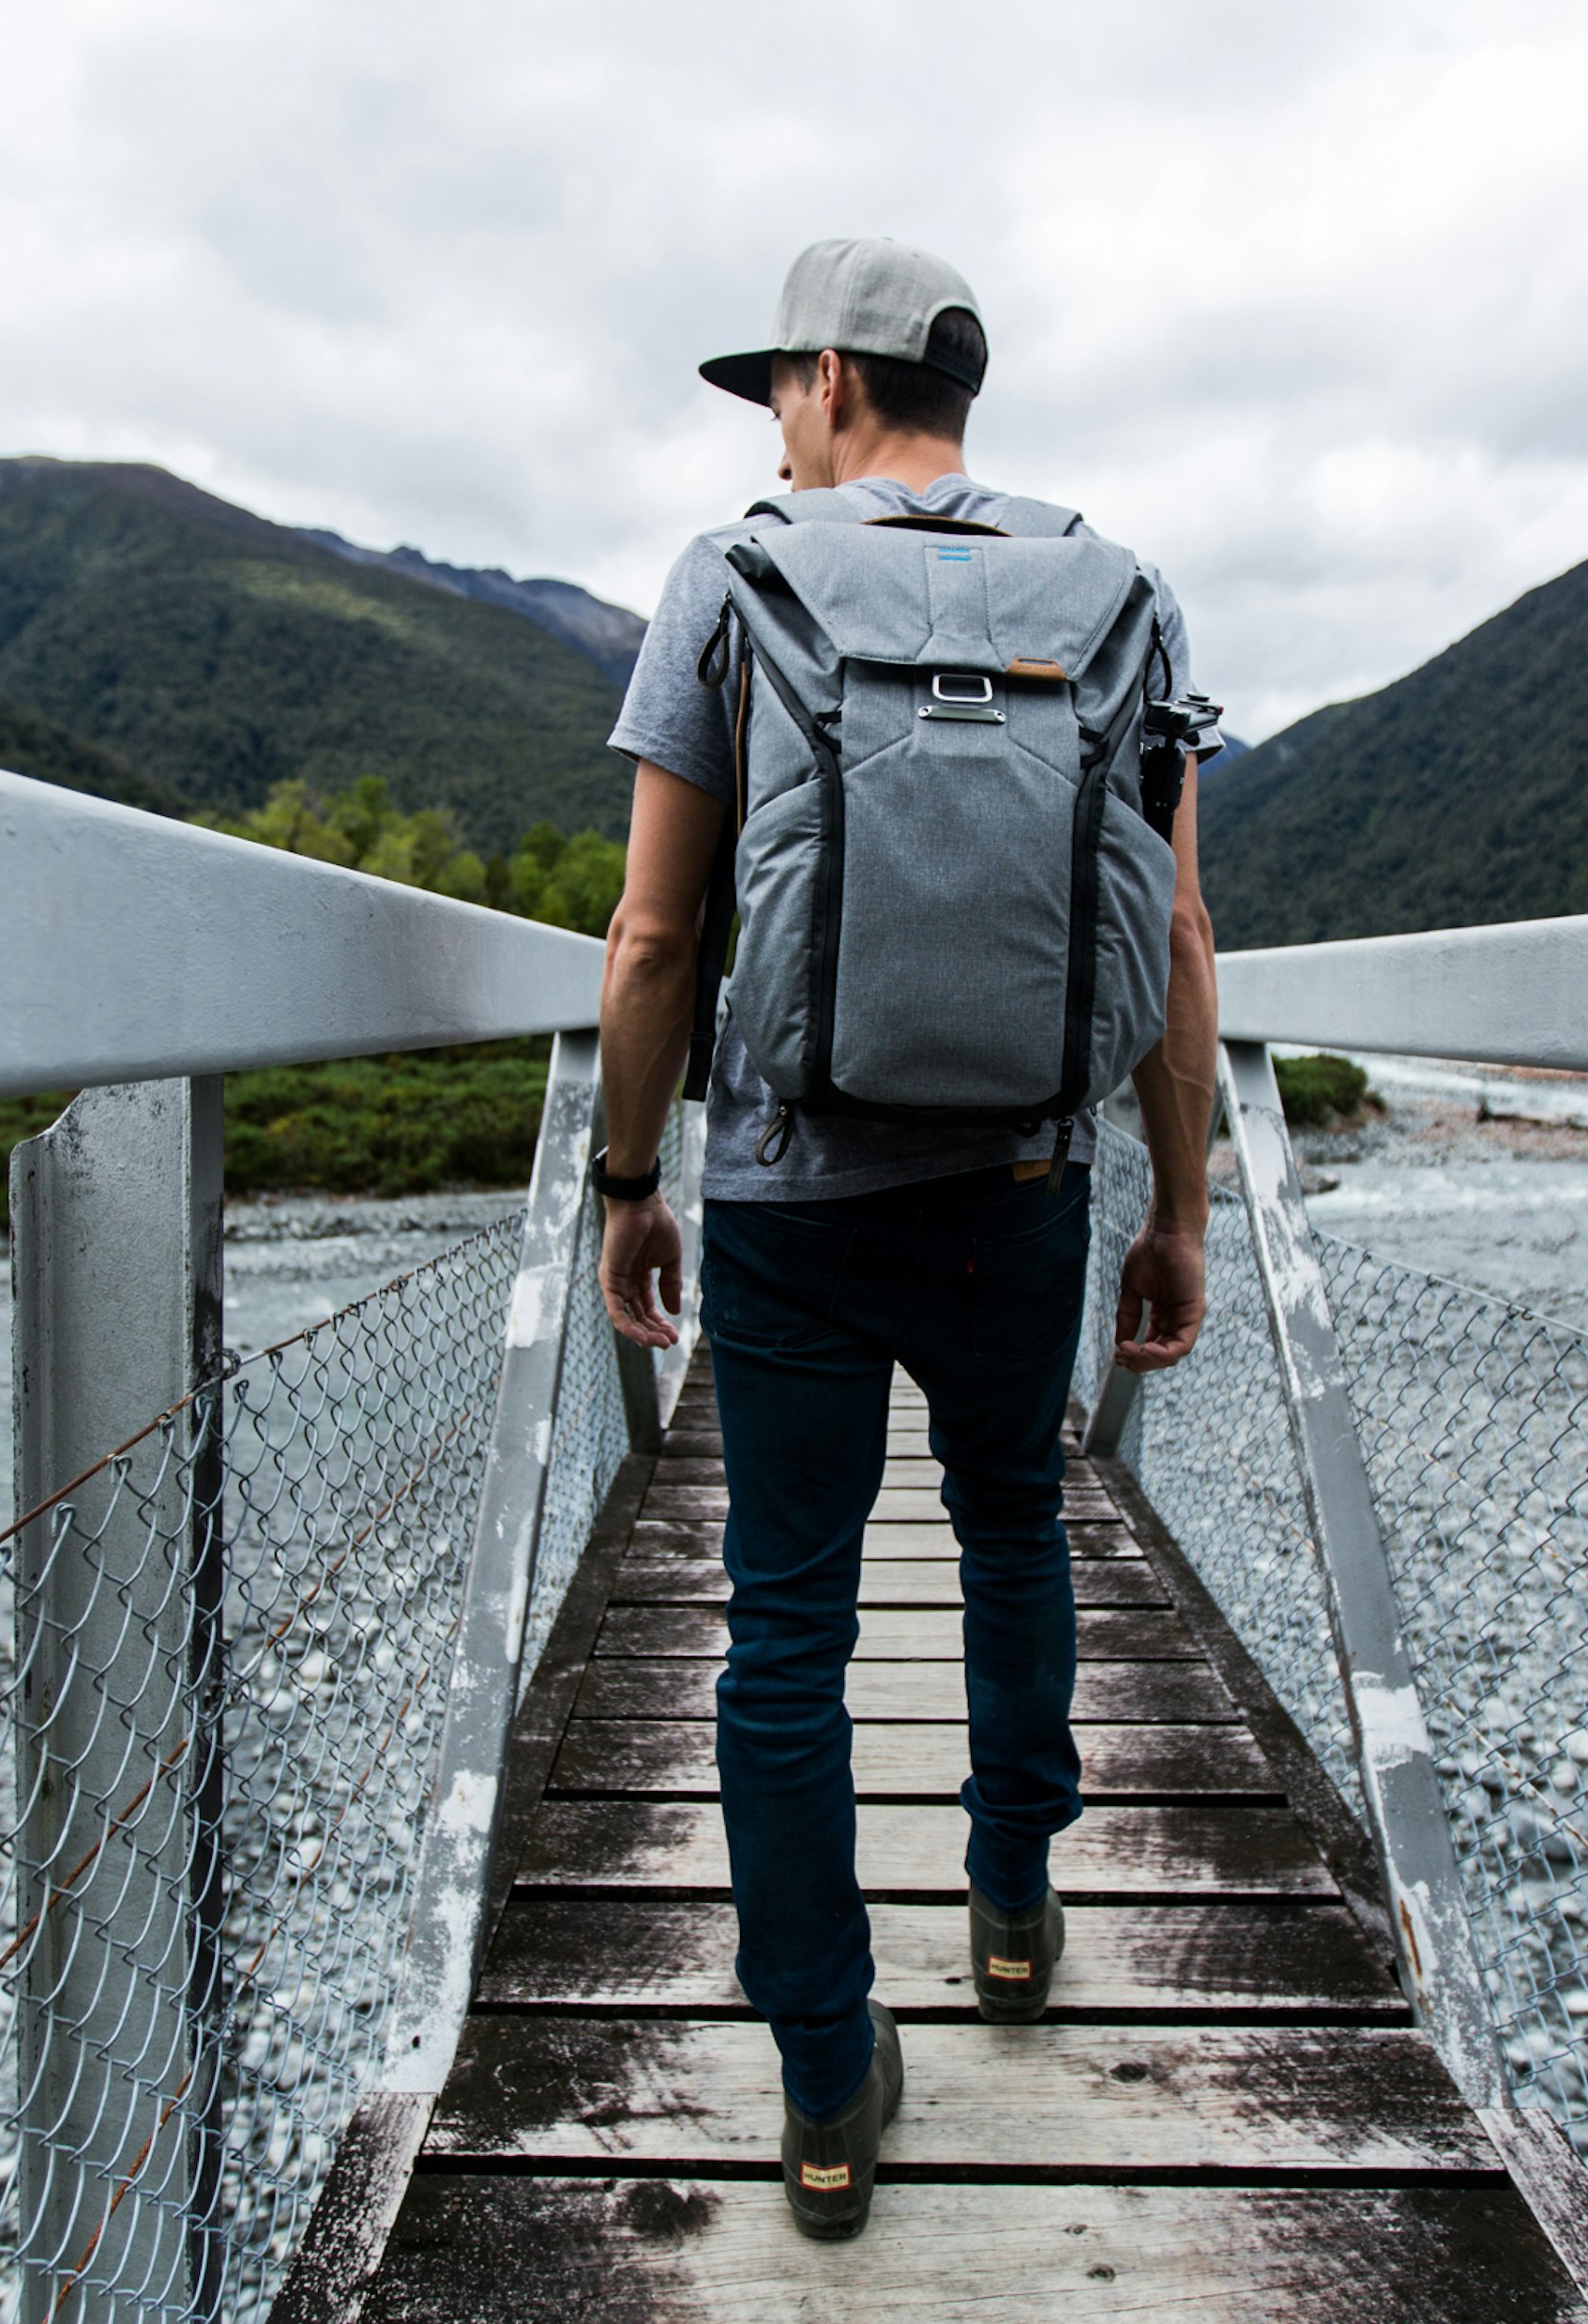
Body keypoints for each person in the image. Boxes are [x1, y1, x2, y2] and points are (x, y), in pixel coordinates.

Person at [588, 236, 1221, 2240]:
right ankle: (1018, 1910)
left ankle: (823, 2074)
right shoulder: (1121, 592)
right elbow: (1182, 937)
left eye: (780, 384)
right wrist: (1179, 1203)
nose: (775, 421)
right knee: (1015, 1523)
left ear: (837, 385)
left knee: (789, 1618)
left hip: (788, 1188)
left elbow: (657, 938)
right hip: (1028, 1181)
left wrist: (626, 1182)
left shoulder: (735, 574)